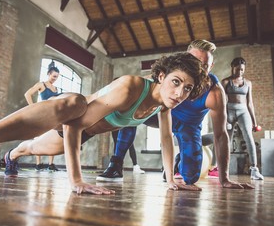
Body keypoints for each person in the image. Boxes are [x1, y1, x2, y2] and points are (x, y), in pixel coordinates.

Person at [0, 52, 207, 197]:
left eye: (187, 89)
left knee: (32, 147)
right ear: (160, 76)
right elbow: (74, 123)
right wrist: (76, 179)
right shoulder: (132, 87)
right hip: (70, 116)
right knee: (74, 104)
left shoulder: (162, 106)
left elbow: (167, 140)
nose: (180, 93)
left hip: (82, 132)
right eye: (176, 82)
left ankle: (11, 156)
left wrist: (171, 179)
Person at [96, 39, 254, 191]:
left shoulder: (215, 93)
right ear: (184, 58)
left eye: (204, 66)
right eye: (193, 62)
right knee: (131, 105)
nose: (196, 70)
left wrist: (224, 178)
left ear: (211, 66)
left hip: (187, 126)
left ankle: (177, 164)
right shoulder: (169, 73)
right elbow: (138, 89)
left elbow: (220, 135)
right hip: (161, 116)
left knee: (191, 177)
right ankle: (116, 164)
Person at [222, 57, 264, 180]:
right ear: (232, 67)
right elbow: (222, 102)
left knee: (249, 138)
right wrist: (224, 119)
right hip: (229, 111)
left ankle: (254, 169)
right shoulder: (225, 82)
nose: (240, 72)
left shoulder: (248, 83)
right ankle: (223, 169)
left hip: (243, 111)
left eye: (242, 70)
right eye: (237, 69)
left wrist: (254, 122)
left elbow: (250, 103)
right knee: (227, 141)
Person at [24, 62, 61, 172]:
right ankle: (38, 164)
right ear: (49, 74)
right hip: (42, 115)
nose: (55, 79)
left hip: (53, 116)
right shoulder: (41, 84)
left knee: (53, 139)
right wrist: (33, 108)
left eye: (57, 77)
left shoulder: (55, 89)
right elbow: (27, 94)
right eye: (54, 76)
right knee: (38, 138)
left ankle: (50, 164)